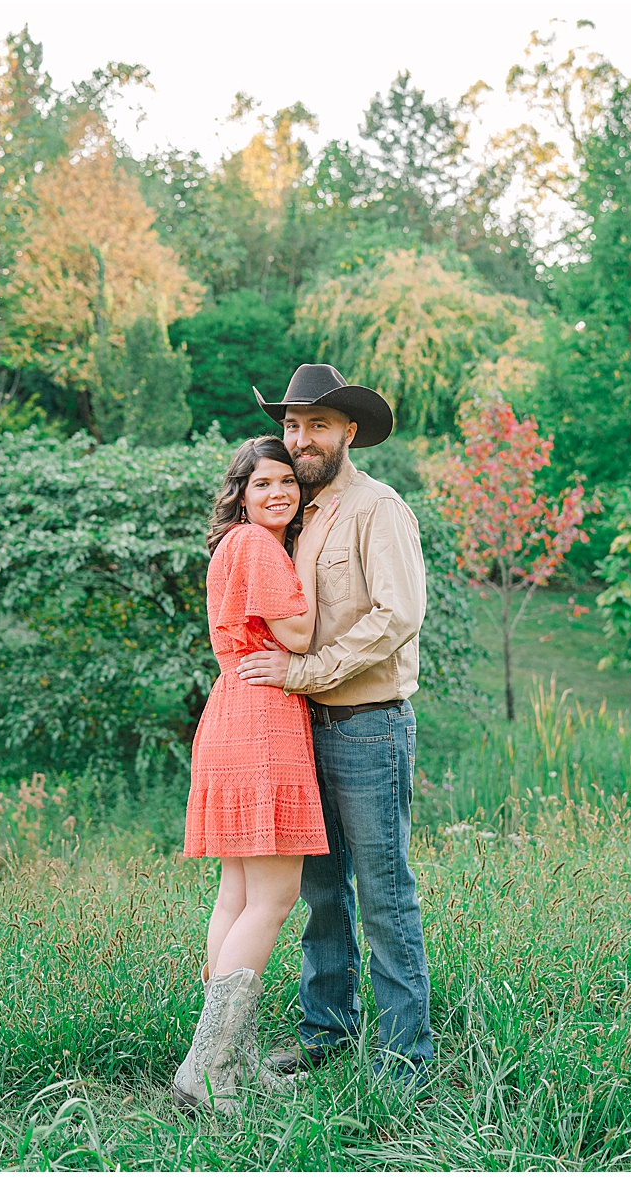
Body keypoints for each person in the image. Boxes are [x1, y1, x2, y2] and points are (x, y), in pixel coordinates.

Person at [236, 363, 434, 1086]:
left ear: (348, 430)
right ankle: (327, 1030)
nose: (301, 437)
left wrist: (305, 674)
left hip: (368, 726)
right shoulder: (292, 515)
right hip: (298, 728)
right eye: (292, 424)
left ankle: (405, 1057)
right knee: (320, 891)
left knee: (384, 893)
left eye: (317, 423)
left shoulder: (379, 509)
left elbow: (397, 616)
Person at [173, 436, 343, 1112]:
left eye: (286, 482)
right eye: (261, 483)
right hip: (264, 718)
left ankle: (231, 1055)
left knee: (237, 897)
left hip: (230, 711)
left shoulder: (232, 546)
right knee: (273, 898)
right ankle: (207, 1069)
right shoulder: (261, 546)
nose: (278, 492)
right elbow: (298, 636)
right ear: (240, 493)